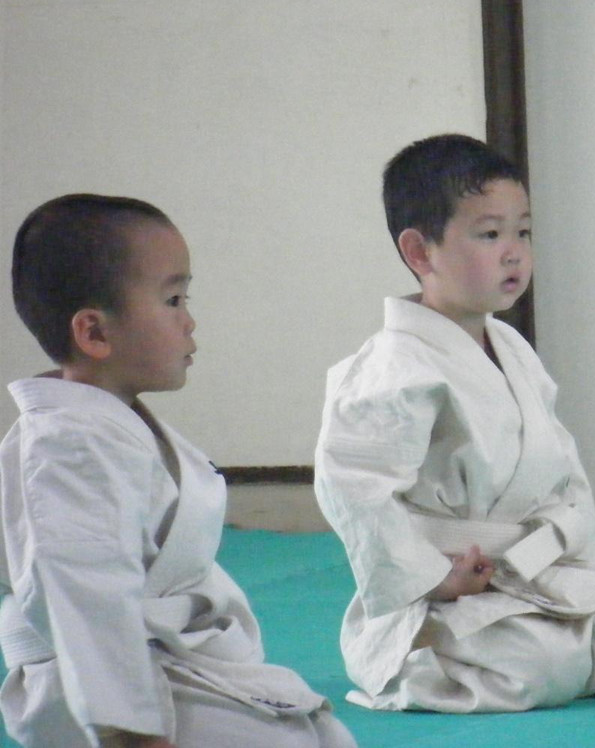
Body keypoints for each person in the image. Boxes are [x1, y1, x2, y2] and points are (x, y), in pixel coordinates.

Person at [314, 134, 595, 713]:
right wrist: (433, 577)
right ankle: (413, 663)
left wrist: (582, 557)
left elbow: (562, 470)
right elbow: (354, 487)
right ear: (420, 252)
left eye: (522, 232)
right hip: (449, 583)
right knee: (540, 662)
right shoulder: (392, 367)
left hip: (525, 568)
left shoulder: (510, 346)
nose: (514, 253)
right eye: (490, 234)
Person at [0, 194, 358, 748]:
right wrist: (129, 728)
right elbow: (86, 596)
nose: (189, 321)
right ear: (95, 333)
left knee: (317, 734)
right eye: (172, 300)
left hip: (158, 660)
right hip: (93, 688)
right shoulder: (69, 448)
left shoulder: (102, 427)